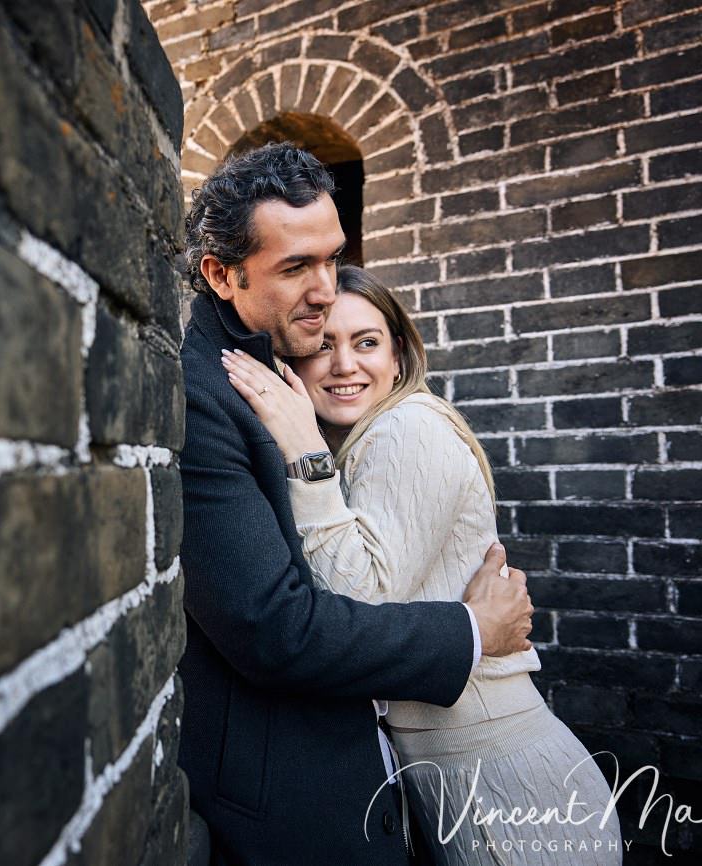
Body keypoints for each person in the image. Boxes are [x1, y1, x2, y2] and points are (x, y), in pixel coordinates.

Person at [178, 141, 535, 865]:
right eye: (294, 267)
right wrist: (471, 630)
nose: (323, 288)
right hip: (287, 798)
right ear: (221, 273)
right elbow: (277, 629)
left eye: (331, 257)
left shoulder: (297, 374)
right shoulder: (204, 394)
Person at [222, 264, 622, 864]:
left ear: (400, 353)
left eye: (366, 342)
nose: (344, 365)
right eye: (323, 345)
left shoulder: (407, 428)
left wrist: (305, 455)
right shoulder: (363, 441)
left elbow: (355, 605)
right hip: (451, 776)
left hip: (502, 783)